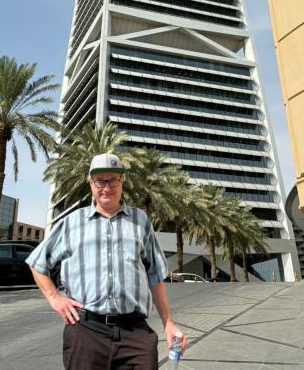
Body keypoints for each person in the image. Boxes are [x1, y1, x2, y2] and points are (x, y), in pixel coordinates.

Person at [26, 152, 187, 369]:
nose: (107, 187)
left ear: (122, 182)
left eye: (113, 180)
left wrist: (168, 324)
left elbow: (155, 276)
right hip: (86, 332)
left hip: (135, 334)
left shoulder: (141, 221)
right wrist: (55, 298)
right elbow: (37, 264)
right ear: (91, 183)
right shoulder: (71, 223)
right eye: (100, 181)